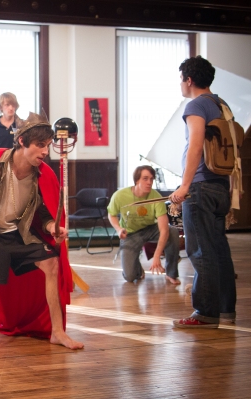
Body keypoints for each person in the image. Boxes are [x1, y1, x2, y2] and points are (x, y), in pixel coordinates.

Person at [0, 112, 84, 349]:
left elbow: (44, 215)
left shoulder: (43, 174)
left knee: (51, 264)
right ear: (22, 142)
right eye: (40, 145)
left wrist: (53, 227)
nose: (44, 152)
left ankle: (57, 332)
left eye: (47, 146)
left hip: (16, 233)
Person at [170, 56, 237, 328]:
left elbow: (196, 146)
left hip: (200, 186)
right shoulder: (221, 105)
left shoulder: (196, 105)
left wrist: (185, 186)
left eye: (181, 79)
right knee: (219, 249)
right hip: (221, 185)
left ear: (189, 80)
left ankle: (206, 313)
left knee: (200, 251)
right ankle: (225, 309)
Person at [107, 165, 181, 284]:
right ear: (136, 180)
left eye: (151, 179)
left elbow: (164, 229)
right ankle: (137, 269)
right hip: (130, 233)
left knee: (172, 231)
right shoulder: (119, 195)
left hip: (150, 229)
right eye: (145, 179)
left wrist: (157, 256)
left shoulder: (156, 197)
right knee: (130, 277)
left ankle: (171, 273)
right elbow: (112, 214)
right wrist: (118, 229)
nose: (149, 182)